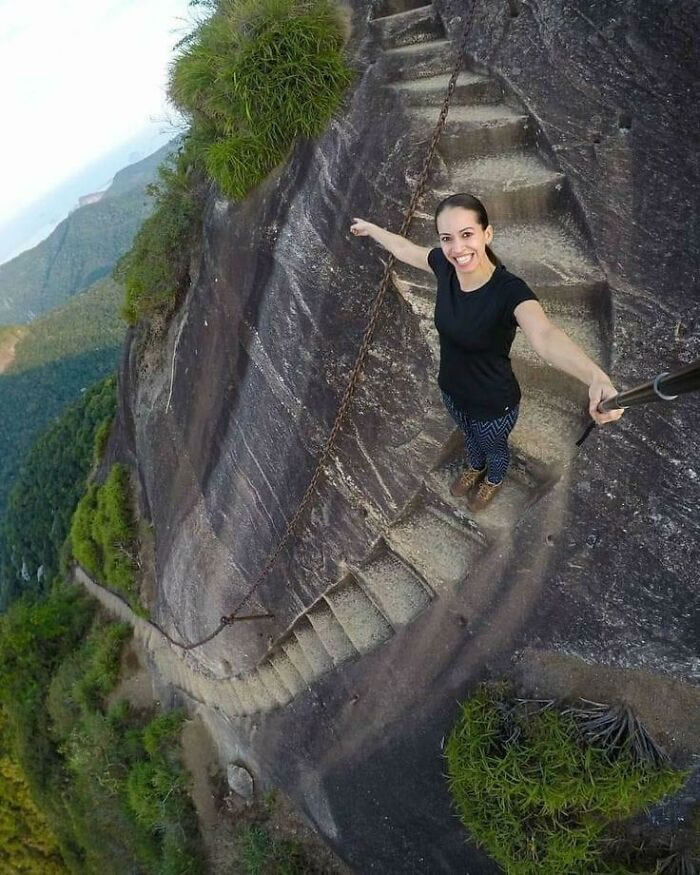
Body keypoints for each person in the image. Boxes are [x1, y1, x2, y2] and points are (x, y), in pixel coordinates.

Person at [350, 193, 623, 512]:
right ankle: (474, 466)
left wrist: (595, 375)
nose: (457, 249)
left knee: (494, 447)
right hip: (452, 391)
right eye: (447, 238)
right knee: (469, 437)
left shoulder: (509, 292)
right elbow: (405, 248)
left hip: (494, 405)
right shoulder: (445, 266)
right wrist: (372, 228)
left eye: (467, 235)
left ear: (486, 234)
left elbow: (546, 336)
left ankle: (493, 477)